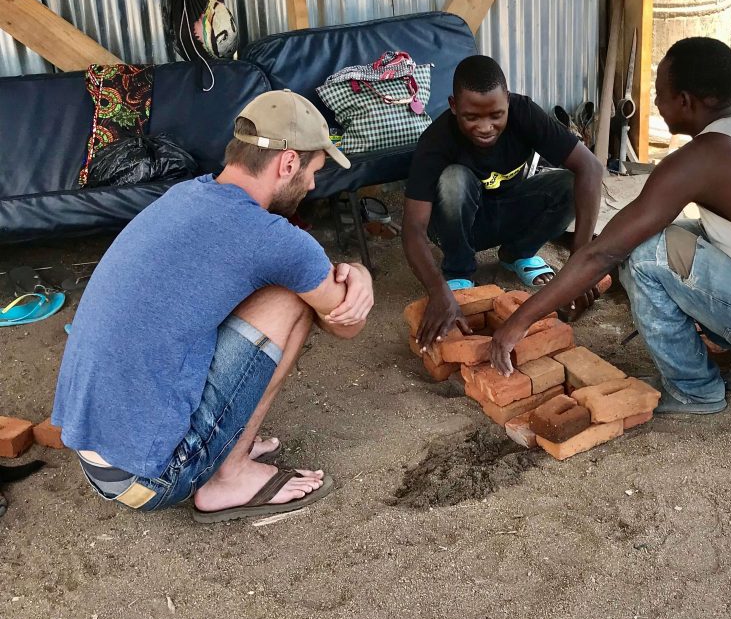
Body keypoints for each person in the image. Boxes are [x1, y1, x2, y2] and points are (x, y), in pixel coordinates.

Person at [490, 37, 731, 413]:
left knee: (641, 254)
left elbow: (607, 251)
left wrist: (519, 321)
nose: (655, 103)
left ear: (685, 101)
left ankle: (695, 390)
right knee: (672, 233)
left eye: (661, 94)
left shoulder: (700, 159)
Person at [52, 90, 375, 522]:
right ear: (289, 163)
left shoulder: (186, 195)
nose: (314, 185)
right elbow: (345, 323)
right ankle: (229, 474)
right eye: (315, 171)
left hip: (98, 456)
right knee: (291, 299)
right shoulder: (274, 239)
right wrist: (360, 273)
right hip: (149, 477)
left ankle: (224, 441)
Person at [402, 55, 607, 348]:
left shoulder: (525, 114)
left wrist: (580, 261)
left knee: (573, 184)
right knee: (454, 180)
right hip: (458, 225)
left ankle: (517, 254)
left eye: (496, 115)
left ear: (508, 101)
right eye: (471, 117)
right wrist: (437, 291)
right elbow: (413, 229)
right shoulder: (437, 140)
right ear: (453, 106)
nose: (485, 127)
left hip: (507, 212)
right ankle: (458, 272)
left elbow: (591, 168)